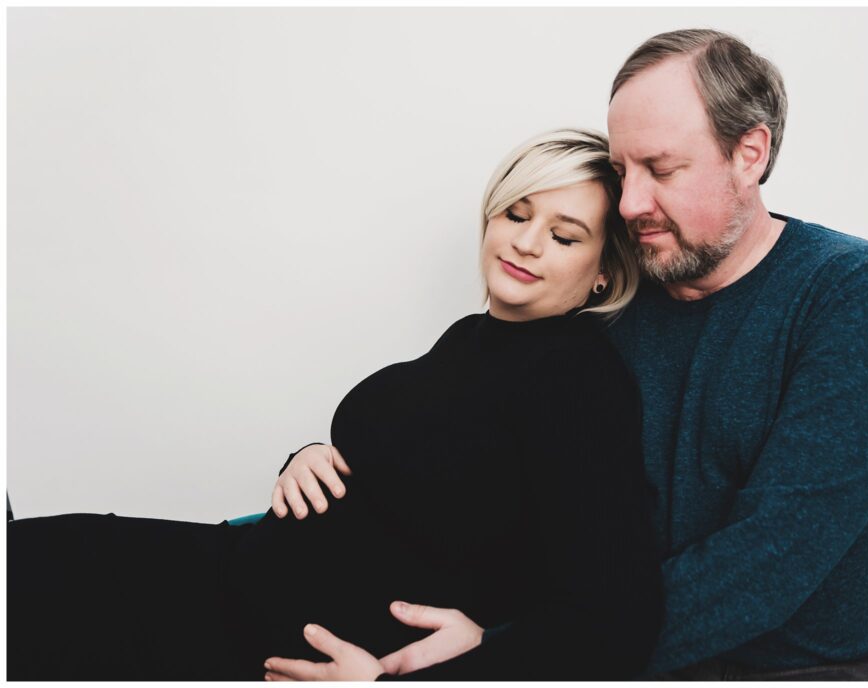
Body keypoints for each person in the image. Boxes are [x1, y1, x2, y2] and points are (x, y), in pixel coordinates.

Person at [279, 29, 868, 681]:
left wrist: (511, 650)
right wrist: (317, 458)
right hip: (590, 649)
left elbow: (777, 555)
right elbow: (462, 440)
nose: (630, 204)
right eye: (621, 171)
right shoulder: (612, 294)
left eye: (661, 169)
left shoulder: (853, 292)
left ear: (749, 152)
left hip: (790, 668)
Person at [6, 128, 663, 681]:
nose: (526, 242)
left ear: (604, 270)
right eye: (517, 215)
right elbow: (416, 468)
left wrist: (435, 671)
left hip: (265, 651)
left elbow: (613, 619)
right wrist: (308, 457)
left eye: (565, 236)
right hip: (231, 576)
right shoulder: (475, 338)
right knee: (31, 559)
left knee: (31, 584)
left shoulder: (578, 376)